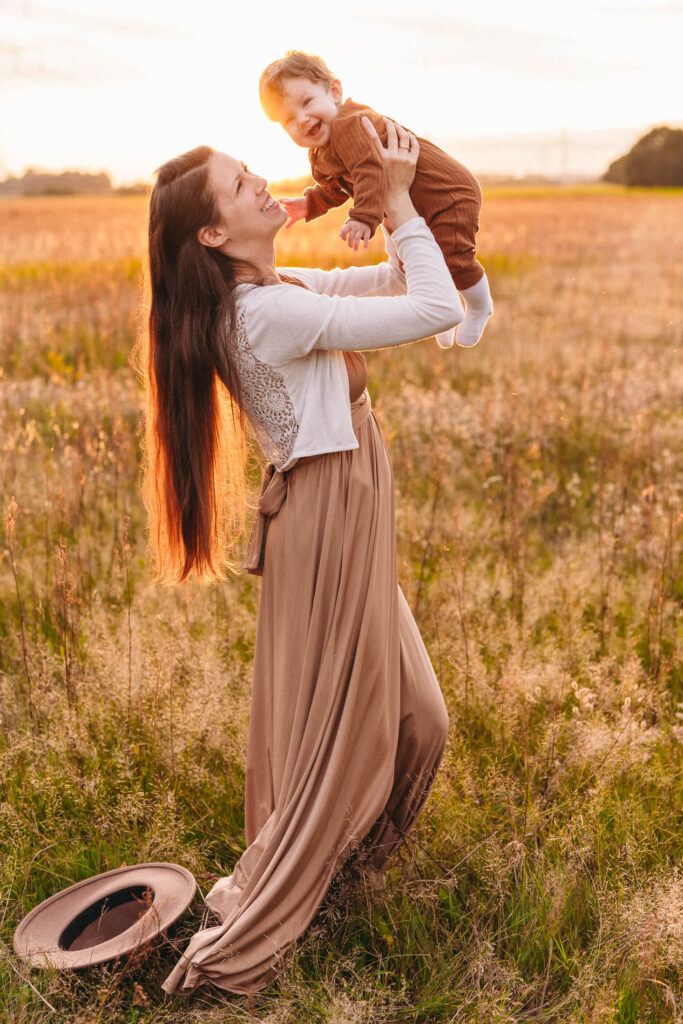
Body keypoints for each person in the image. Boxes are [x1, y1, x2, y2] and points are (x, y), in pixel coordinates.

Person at [141, 116, 461, 996]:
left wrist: (405, 202)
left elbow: (401, 277)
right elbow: (433, 308)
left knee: (418, 720)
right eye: (241, 185)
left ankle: (339, 880)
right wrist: (393, 199)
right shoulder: (271, 312)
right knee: (341, 740)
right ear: (214, 234)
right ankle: (251, 930)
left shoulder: (277, 287)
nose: (261, 184)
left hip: (343, 513)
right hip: (327, 518)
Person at [259, 50, 494, 350]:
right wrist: (310, 204)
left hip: (447, 194)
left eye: (306, 102)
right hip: (409, 200)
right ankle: (448, 313)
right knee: (416, 261)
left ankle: (479, 305)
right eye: (289, 118)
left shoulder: (350, 124)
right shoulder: (323, 148)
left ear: (334, 92)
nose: (302, 119)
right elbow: (340, 186)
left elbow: (370, 170)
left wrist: (362, 218)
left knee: (453, 258)